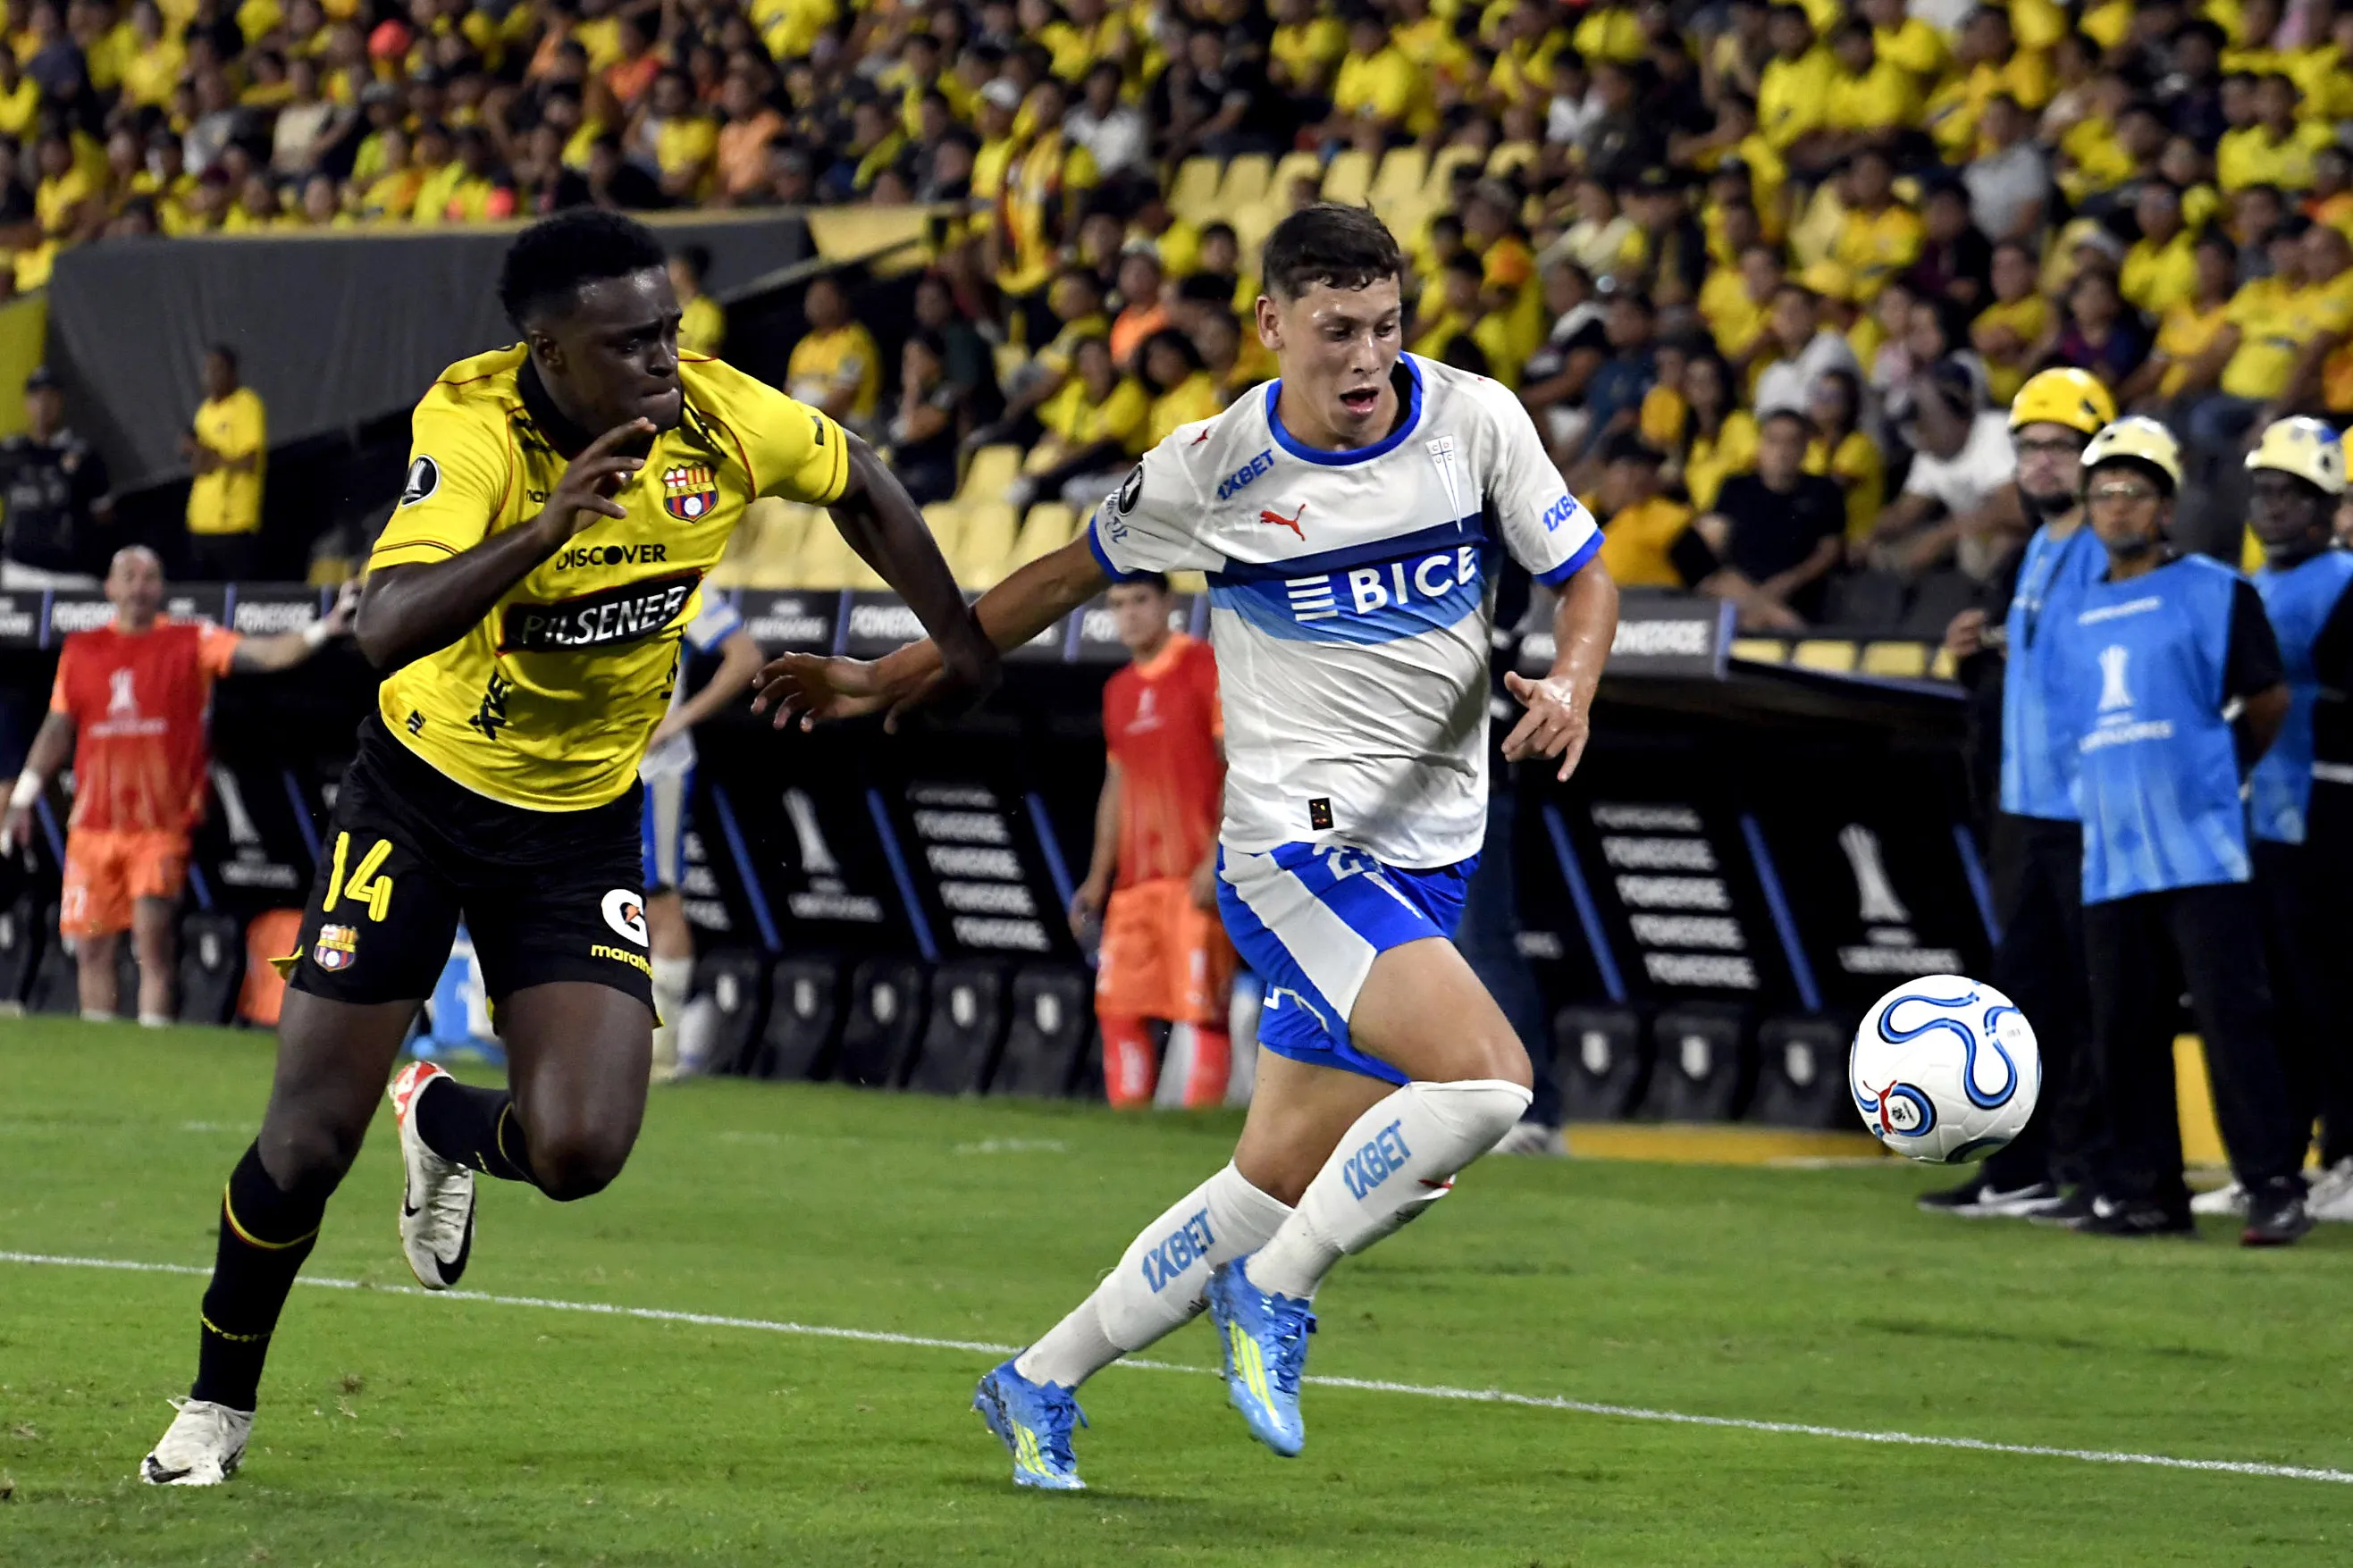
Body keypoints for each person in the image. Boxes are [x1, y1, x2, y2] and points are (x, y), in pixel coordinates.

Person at [754, 204, 1618, 1488]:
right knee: (1489, 1083)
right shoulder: (1214, 468)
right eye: (1335, 331)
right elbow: (1049, 580)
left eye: (1384, 326)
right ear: (1273, 326)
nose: (1367, 356)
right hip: (1297, 854)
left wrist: (1575, 681)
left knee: (1266, 1177)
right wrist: (895, 675)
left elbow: (1583, 573)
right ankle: (1274, 1293)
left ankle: (1036, 1377)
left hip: (1429, 856)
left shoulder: (1475, 420)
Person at [136, 210, 1000, 1488]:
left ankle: (440, 1119)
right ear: (547, 351)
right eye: (630, 341)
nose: (665, 358)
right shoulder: (474, 423)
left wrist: (956, 645)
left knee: (581, 1148)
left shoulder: (715, 414)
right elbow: (381, 624)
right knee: (306, 1140)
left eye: (671, 329)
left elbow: (861, 480)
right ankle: (216, 1404)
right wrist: (545, 528)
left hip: (579, 817)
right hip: (418, 799)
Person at [2050, 416, 2308, 1244]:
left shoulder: (2214, 589)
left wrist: (2213, 768)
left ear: (2163, 506)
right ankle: (2146, 1193)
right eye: (2102, 494)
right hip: (2111, 855)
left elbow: (2266, 699)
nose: (2115, 507)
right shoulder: (2070, 613)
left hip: (2202, 848)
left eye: (2132, 493)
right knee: (2123, 1030)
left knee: (2235, 1024)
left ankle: (2272, 1184)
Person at [1919, 367, 2114, 1220]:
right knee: (2024, 996)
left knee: (2096, 993)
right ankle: (2022, 1166)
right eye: (2028, 447)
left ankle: (2101, 1169)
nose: (2039, 463)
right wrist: (1983, 645)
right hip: (2027, 807)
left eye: (2058, 447)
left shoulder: (2107, 547)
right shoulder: (2031, 549)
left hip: (2089, 808)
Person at [1, 548, 349, 1022]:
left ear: (161, 589)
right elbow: (58, 727)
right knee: (91, 948)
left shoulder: (190, 640)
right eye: (128, 576)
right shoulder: (81, 650)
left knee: (152, 944)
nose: (138, 587)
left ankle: (153, 1043)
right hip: (92, 828)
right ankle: (100, 1049)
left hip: (158, 826)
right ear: (110, 587)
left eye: (149, 577)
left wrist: (322, 629)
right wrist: (23, 797)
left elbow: (263, 655)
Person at [2207, 418, 2353, 1220]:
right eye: (2262, 490)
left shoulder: (2344, 583)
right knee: (2270, 999)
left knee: (2330, 992)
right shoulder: (2250, 584)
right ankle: (2276, 1163)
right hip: (2259, 814)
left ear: (2327, 505)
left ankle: (2347, 1154)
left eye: (2290, 494)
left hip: (2329, 810)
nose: (2270, 508)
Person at [1068, 572, 1232, 1110]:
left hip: (1194, 878)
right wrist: (1097, 879)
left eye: (1140, 600)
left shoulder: (1204, 668)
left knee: (1201, 1012)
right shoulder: (1118, 690)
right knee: (1118, 1010)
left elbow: (1237, 766)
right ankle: (1130, 1128)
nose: (1130, 614)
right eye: (1117, 605)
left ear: (1168, 604)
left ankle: (1194, 1136)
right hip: (1135, 885)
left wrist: (1218, 857)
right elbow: (1116, 786)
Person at [639, 594, 763, 1081]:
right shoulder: (591, 566)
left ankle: (659, 1051)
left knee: (660, 898)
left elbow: (746, 656)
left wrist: (677, 721)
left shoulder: (684, 578)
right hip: (589, 768)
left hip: (654, 771)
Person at [0, 365, 112, 590]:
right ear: (28, 403)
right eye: (37, 397)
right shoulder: (10, 453)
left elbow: (104, 515)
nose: (44, 405)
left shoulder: (84, 455)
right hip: (20, 571)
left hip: (71, 574)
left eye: (51, 397)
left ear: (61, 402)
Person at [181, 346, 266, 583]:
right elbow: (199, 467)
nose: (210, 376)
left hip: (235, 522)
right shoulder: (204, 411)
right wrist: (206, 455)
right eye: (207, 370)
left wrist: (202, 451)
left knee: (235, 596)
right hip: (201, 521)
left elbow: (249, 461)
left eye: (217, 369)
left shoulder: (246, 404)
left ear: (233, 373)